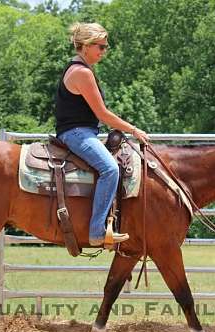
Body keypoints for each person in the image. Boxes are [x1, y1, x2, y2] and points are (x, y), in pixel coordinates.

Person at [55, 22, 149, 247]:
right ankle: (97, 232)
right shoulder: (81, 72)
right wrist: (134, 130)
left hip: (81, 132)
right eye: (101, 46)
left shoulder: (78, 68)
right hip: (77, 133)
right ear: (86, 46)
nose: (104, 51)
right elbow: (103, 114)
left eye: (106, 47)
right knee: (110, 168)